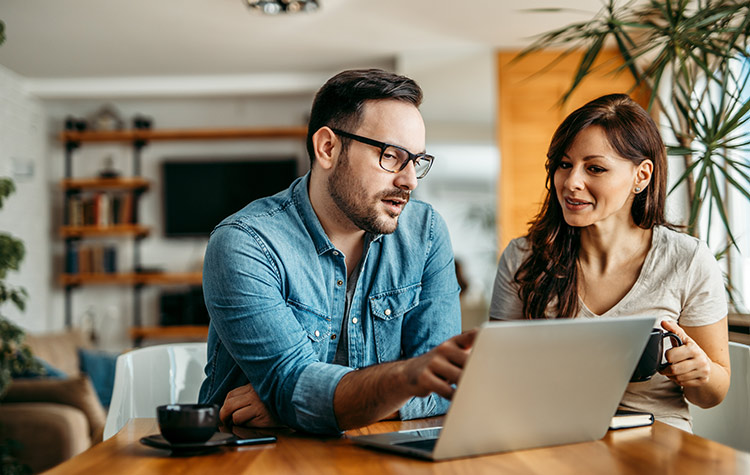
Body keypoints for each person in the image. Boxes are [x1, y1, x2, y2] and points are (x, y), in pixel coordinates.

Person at [198, 68, 476, 435]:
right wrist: (404, 381)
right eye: (392, 156)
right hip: (253, 456)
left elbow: (444, 387)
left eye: (416, 161)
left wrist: (292, 406)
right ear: (327, 148)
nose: (409, 180)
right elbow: (291, 385)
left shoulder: (424, 233)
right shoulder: (245, 243)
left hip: (376, 452)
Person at [489, 93, 730, 432]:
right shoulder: (524, 256)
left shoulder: (687, 260)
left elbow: (712, 393)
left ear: (641, 176)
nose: (571, 182)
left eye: (595, 168)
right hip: (554, 433)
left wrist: (700, 372)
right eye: (563, 164)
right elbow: (499, 374)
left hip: (654, 436)